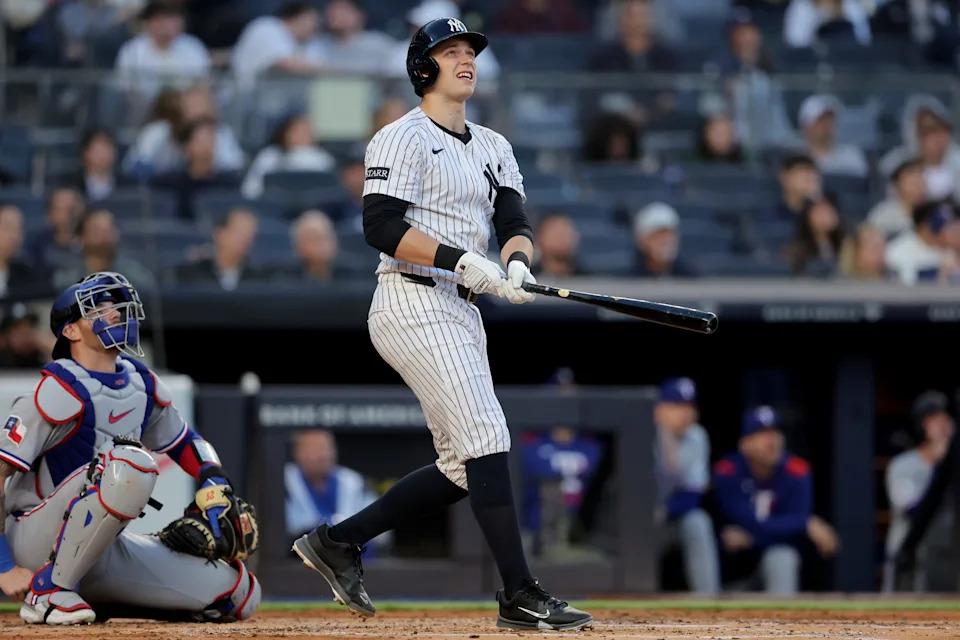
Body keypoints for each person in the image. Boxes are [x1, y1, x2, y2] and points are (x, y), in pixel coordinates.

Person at [291, 17, 593, 632]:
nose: (465, 60)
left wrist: (515, 266)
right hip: (411, 300)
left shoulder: (493, 146)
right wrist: (465, 261)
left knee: (464, 463)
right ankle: (520, 593)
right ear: (423, 67)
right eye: (450, 51)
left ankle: (338, 542)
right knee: (488, 435)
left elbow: (515, 220)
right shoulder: (398, 137)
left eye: (470, 51)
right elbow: (380, 227)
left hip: (461, 306)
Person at [0, 272, 260, 624]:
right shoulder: (56, 388)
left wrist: (214, 481)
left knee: (237, 594)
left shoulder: (140, 382)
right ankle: (48, 592)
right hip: (33, 538)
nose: (115, 313)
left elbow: (187, 442)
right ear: (71, 331)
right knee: (128, 462)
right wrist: (4, 566)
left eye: (116, 306)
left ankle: (89, 596)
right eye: (99, 308)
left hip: (101, 548)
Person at [713, 406, 839, 595]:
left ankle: (780, 622)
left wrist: (752, 538)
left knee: (783, 556)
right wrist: (805, 524)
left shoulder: (797, 471)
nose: (772, 440)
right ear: (744, 444)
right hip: (730, 571)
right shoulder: (728, 471)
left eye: (775, 432)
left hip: (772, 566)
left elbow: (791, 536)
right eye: (761, 434)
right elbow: (745, 521)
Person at [884, 390, 957, 592]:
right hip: (911, 558)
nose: (943, 426)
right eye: (934, 420)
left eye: (945, 419)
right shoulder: (902, 465)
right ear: (922, 425)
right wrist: (940, 468)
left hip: (947, 560)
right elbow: (912, 509)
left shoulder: (954, 469)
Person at [653, 377, 720, 595]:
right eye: (676, 406)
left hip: (667, 520)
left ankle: (709, 601)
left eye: (690, 406)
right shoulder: (640, 431)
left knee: (698, 521)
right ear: (659, 408)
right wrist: (663, 435)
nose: (686, 413)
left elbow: (693, 493)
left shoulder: (697, 437)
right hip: (632, 526)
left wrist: (665, 511)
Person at [285, 429, 377, 540]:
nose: (323, 455)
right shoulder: (281, 482)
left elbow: (375, 526)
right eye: (315, 449)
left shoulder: (353, 481)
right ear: (297, 453)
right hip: (297, 551)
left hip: (350, 549)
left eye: (327, 448)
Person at [868, 158, 927, 238]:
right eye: (912, 181)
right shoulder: (883, 216)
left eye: (920, 178)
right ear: (897, 185)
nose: (918, 185)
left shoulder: (933, 214)